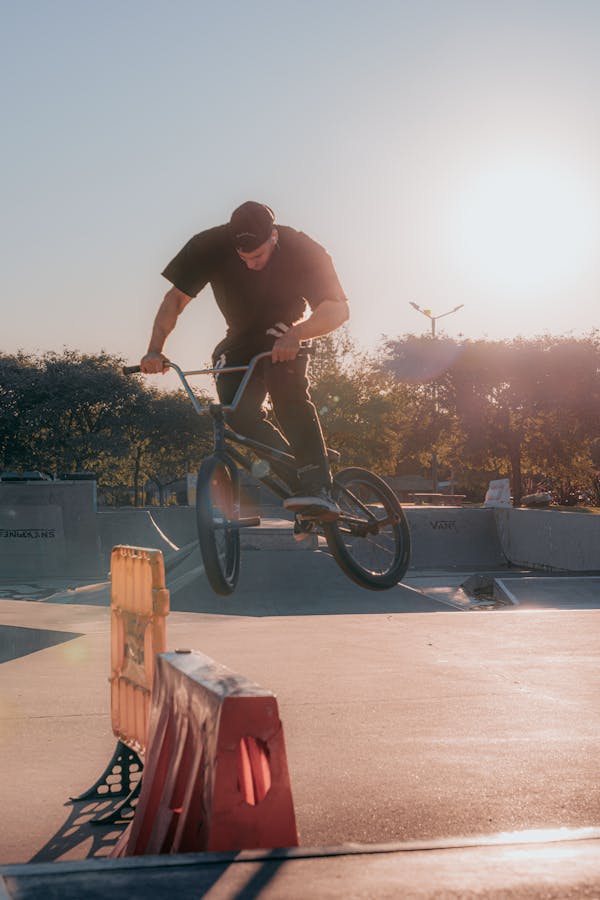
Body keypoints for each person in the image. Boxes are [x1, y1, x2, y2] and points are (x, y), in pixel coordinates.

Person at [140, 201, 349, 530]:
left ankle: (319, 484)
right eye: (244, 259)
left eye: (259, 257)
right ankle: (300, 480)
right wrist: (155, 350)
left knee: (287, 391)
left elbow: (337, 309)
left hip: (284, 333)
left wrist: (297, 334)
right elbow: (175, 300)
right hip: (237, 341)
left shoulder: (302, 249)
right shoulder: (208, 246)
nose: (251, 265)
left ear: (274, 238)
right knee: (237, 414)